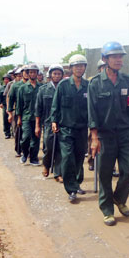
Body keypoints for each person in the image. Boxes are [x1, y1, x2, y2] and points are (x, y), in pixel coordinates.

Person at [88, 41, 129, 226]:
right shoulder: (95, 83)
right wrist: (94, 138)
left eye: (120, 56)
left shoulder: (127, 82)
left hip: (125, 133)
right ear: (105, 59)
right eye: (114, 56)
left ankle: (118, 198)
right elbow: (92, 112)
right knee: (105, 174)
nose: (119, 60)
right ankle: (107, 209)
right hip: (104, 135)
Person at [51, 54, 89, 203]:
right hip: (66, 128)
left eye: (82, 66)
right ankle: (71, 189)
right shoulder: (63, 85)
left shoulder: (88, 86)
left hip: (82, 128)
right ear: (71, 68)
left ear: (85, 68)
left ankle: (77, 183)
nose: (79, 68)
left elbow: (92, 108)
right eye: (76, 66)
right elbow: (56, 104)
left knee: (80, 157)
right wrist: (54, 120)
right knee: (67, 158)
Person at [35, 64, 64, 182]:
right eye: (54, 74)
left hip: (62, 123)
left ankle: (58, 173)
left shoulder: (64, 88)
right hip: (48, 123)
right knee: (48, 147)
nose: (57, 76)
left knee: (60, 149)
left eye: (59, 74)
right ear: (50, 75)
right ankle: (46, 165)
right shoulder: (43, 90)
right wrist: (37, 125)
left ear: (62, 75)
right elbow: (38, 109)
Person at [16, 63, 41, 165]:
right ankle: (25, 154)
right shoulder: (22, 88)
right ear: (28, 74)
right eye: (30, 72)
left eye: (34, 72)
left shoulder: (42, 87)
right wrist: (19, 118)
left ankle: (34, 158)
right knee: (26, 137)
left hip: (38, 118)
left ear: (37, 73)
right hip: (26, 117)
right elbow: (19, 104)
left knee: (36, 139)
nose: (32, 74)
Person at [8, 66, 28, 157]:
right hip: (19, 111)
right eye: (25, 72)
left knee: (29, 133)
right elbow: (11, 99)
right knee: (18, 131)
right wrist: (10, 113)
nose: (27, 74)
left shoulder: (33, 84)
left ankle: (28, 151)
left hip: (30, 112)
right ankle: (19, 150)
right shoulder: (15, 86)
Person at [0, 74, 12, 139]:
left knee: (13, 120)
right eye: (5, 79)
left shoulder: (13, 86)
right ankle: (7, 133)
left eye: (7, 79)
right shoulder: (2, 88)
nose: (6, 80)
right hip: (5, 106)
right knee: (5, 119)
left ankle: (12, 131)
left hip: (12, 105)